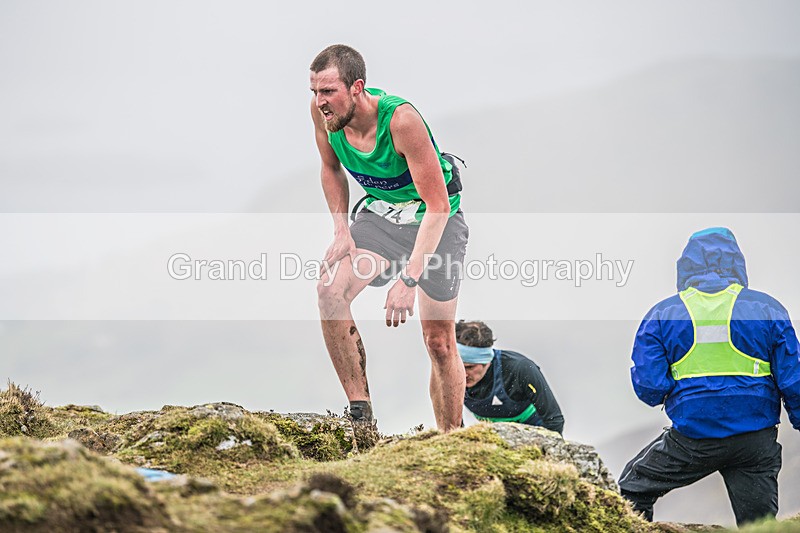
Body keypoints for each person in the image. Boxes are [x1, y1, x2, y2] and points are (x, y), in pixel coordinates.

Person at [309, 45, 469, 431]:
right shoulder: (324, 116)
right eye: (314, 91)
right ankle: (361, 416)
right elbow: (331, 169)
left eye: (328, 91)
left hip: (435, 222)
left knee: (439, 343)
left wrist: (409, 279)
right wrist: (342, 231)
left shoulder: (401, 121)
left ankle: (452, 440)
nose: (320, 102)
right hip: (383, 217)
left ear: (357, 87)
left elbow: (438, 207)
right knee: (330, 291)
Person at [619, 227, 800, 526]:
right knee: (759, 526)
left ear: (686, 266)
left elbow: (650, 388)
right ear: (737, 264)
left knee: (631, 489)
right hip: (755, 442)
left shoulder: (663, 314)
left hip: (693, 438)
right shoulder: (767, 308)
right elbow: (793, 379)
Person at [456, 320, 564, 434]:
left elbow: (554, 420)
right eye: (458, 367)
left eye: (469, 367)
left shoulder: (520, 368)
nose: (463, 374)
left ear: (486, 360)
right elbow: (452, 427)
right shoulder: (449, 374)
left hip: (534, 433)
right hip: (496, 437)